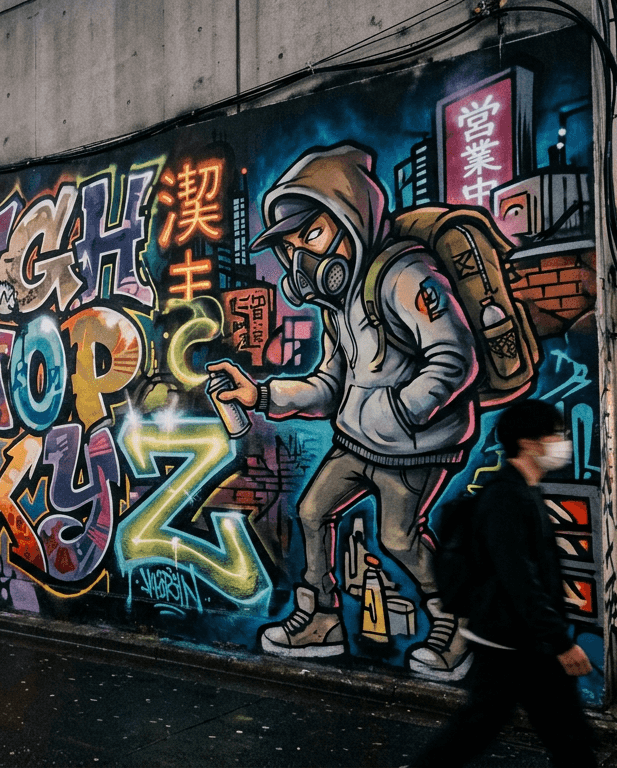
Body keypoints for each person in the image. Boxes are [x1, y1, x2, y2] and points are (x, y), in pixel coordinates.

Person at [207, 143, 479, 675]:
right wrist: (260, 395)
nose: (302, 260)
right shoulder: (340, 303)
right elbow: (329, 385)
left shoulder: (405, 275)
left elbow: (455, 357)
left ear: (351, 217)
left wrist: (400, 413)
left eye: (311, 236)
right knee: (311, 512)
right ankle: (322, 616)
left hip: (415, 445)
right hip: (358, 439)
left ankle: (455, 618)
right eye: (291, 249)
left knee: (398, 537)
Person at [411, 400, 595, 767]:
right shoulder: (506, 498)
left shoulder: (522, 490)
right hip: (511, 639)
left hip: (518, 636)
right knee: (498, 725)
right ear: (528, 443)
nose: (562, 442)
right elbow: (519, 577)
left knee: (552, 732)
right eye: (555, 435)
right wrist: (559, 641)